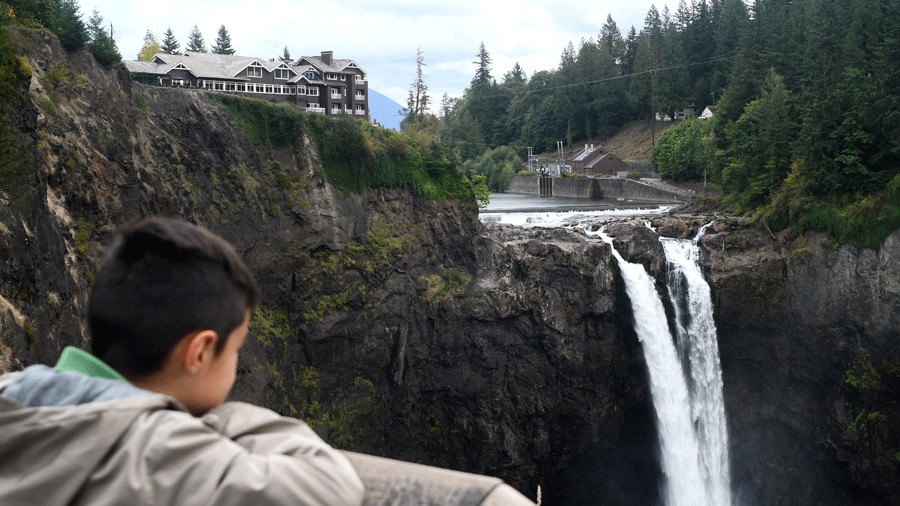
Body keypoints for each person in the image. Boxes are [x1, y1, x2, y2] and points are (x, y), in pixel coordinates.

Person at [0, 217, 364, 505]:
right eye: (235, 348)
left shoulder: (12, 390)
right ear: (200, 352)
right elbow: (328, 484)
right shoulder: (163, 454)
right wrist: (223, 417)